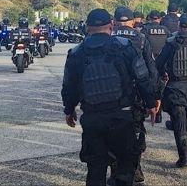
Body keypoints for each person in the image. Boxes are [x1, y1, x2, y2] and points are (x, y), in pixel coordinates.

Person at [62, 9, 157, 186]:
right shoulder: (125, 47)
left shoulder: (76, 53)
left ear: (87, 28)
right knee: (124, 168)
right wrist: (151, 103)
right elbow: (142, 77)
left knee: (96, 168)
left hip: (92, 119)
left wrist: (69, 110)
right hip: (122, 117)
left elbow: (69, 86)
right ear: (111, 25)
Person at [111, 7, 160, 184]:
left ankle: (116, 170)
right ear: (133, 22)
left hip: (111, 95)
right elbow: (151, 70)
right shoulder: (140, 38)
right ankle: (135, 168)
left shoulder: (106, 37)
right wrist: (154, 97)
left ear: (115, 21)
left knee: (112, 133)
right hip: (136, 95)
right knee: (136, 131)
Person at [155, 14, 187, 167]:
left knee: (179, 124)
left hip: (175, 88)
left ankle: (184, 156)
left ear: (179, 26)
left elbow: (159, 64)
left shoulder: (171, 42)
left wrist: (163, 75)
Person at [141, 10, 170, 124]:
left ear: (150, 18)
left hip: (149, 62)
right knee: (160, 87)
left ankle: (149, 108)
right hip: (163, 62)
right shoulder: (166, 30)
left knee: (149, 85)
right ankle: (158, 114)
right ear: (159, 19)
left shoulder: (146, 30)